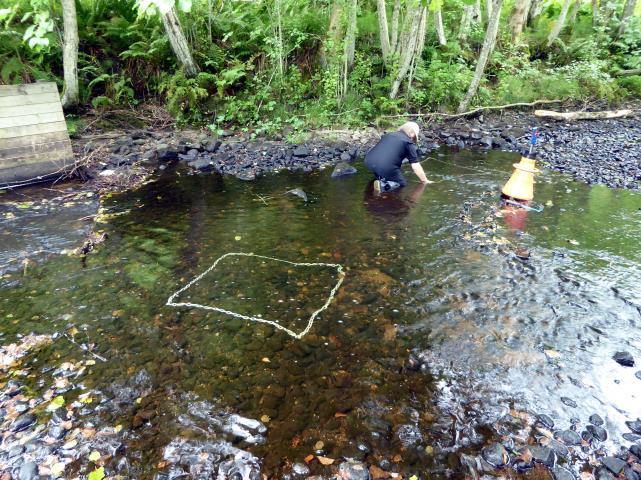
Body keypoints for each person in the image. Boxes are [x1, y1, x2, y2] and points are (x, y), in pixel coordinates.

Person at [364, 122, 432, 192]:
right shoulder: (408, 143)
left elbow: (384, 152)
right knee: (401, 184)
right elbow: (415, 165)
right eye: (414, 136)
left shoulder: (388, 135)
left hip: (368, 161)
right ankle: (383, 186)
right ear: (411, 132)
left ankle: (378, 180)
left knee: (384, 170)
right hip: (384, 166)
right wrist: (425, 181)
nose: (413, 138)